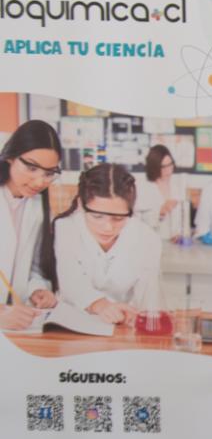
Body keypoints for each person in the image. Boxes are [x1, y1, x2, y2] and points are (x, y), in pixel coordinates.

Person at [53, 163, 163, 324]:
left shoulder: (147, 239)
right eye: (97, 217)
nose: (108, 227)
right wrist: (101, 306)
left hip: (122, 325)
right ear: (80, 205)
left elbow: (147, 300)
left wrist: (133, 317)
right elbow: (70, 283)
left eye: (118, 218)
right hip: (71, 324)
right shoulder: (65, 227)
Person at [1, 120, 62, 330]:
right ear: (10, 157)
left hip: (16, 324)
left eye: (49, 173)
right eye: (31, 168)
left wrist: (38, 289)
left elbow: (35, 266)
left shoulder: (37, 205)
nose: (39, 182)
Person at [134, 144, 186, 239]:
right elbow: (138, 223)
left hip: (174, 244)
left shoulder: (177, 187)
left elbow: (181, 220)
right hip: (151, 243)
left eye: (170, 165)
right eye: (163, 167)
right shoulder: (144, 188)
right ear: (154, 167)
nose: (168, 170)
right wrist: (160, 212)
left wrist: (178, 234)